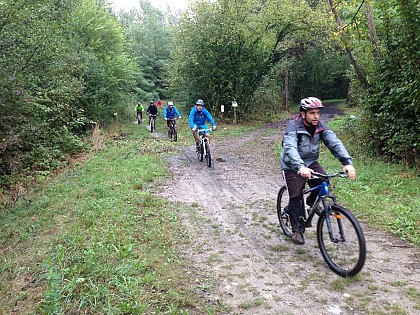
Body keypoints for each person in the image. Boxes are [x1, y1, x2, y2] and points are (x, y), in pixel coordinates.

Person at [280, 97, 356, 245]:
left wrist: (347, 162)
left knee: (323, 181)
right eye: (312, 113)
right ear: (303, 114)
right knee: (296, 195)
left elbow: (334, 142)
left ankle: (311, 202)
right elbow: (290, 147)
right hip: (292, 164)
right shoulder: (293, 126)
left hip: (310, 161)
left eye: (317, 113)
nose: (316, 116)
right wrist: (300, 167)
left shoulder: (320, 127)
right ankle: (297, 230)